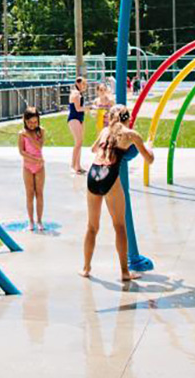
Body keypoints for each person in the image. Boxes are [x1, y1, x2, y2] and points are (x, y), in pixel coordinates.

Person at [82, 105, 154, 282]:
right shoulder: (131, 134)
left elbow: (93, 149)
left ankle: (86, 268)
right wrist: (149, 146)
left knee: (92, 227)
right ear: (127, 119)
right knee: (119, 226)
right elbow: (149, 159)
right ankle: (124, 272)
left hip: (93, 174)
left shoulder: (105, 131)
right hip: (109, 175)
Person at [17, 107, 46, 232]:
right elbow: (21, 152)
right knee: (30, 194)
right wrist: (34, 160)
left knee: (39, 193)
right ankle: (31, 221)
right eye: (30, 122)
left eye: (35, 122)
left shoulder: (41, 131)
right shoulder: (21, 134)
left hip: (40, 168)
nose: (33, 125)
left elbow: (39, 147)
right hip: (28, 167)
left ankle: (39, 220)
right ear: (25, 121)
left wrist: (29, 135)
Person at [67, 77, 88, 174]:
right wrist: (89, 107)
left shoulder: (78, 93)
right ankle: (72, 165)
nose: (85, 86)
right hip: (74, 119)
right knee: (78, 142)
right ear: (78, 83)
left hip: (79, 119)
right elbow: (78, 108)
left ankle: (78, 166)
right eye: (83, 84)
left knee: (80, 143)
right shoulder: (75, 94)